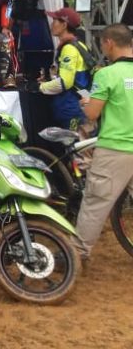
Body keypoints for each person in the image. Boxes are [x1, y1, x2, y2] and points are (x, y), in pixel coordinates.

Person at [74, 23, 133, 263]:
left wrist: (85, 104)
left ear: (109, 43)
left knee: (95, 202)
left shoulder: (106, 74)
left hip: (115, 149)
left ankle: (77, 253)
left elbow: (92, 114)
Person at [37, 7, 93, 132]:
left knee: (74, 141)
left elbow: (65, 82)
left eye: (55, 20)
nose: (51, 24)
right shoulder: (79, 44)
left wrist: (40, 87)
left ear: (64, 25)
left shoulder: (69, 48)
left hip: (71, 106)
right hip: (77, 103)